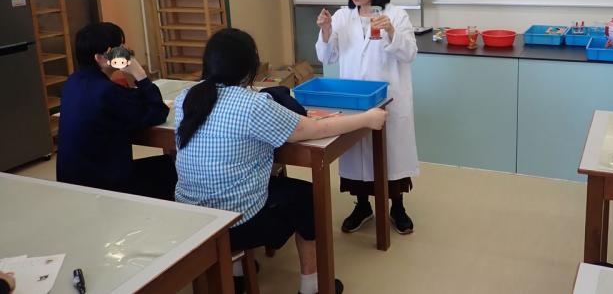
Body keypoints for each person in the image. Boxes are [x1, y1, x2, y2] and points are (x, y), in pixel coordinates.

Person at [174, 28, 386, 294]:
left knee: (230, 182)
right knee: (308, 197)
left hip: (192, 216)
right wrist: (367, 119)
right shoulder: (253, 104)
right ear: (250, 68)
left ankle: (237, 272)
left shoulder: (186, 98)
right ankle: (312, 286)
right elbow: (315, 129)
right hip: (237, 225)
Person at [316, 0, 419, 234]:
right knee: (357, 155)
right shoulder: (342, 17)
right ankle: (362, 206)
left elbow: (409, 53)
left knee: (390, 157)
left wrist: (391, 31)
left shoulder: (396, 14)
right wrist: (325, 30)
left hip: (388, 98)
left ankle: (397, 206)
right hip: (355, 100)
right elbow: (327, 56)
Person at [57, 22, 177, 201]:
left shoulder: (73, 82)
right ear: (100, 57)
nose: (126, 51)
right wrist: (139, 74)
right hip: (104, 188)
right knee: (170, 168)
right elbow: (158, 112)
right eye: (119, 48)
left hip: (75, 182)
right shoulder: (107, 92)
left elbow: (127, 100)